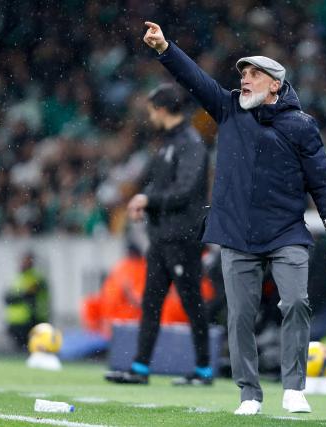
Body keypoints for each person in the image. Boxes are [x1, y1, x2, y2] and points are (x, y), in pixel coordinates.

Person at [142, 22, 326, 415]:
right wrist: (165, 47)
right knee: (239, 316)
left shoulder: (302, 126)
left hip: (287, 231)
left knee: (296, 302)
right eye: (242, 74)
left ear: (275, 85)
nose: (245, 80)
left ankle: (294, 387)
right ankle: (249, 394)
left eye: (253, 74)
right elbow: (195, 80)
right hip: (236, 233)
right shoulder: (228, 109)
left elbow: (322, 182)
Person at [104, 83, 213, 386]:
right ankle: (140, 367)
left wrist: (149, 200)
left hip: (183, 238)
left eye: (151, 109)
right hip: (162, 237)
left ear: (163, 109)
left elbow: (185, 191)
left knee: (192, 302)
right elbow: (158, 185)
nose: (149, 115)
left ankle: (204, 369)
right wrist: (145, 202)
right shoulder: (166, 144)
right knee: (151, 303)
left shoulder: (191, 143)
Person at [4, 252, 50, 350]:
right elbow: (7, 298)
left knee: (30, 350)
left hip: (29, 322)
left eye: (26, 261)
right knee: (18, 352)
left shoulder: (36, 278)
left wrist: (15, 297)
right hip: (15, 323)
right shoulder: (18, 278)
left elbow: (27, 295)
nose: (23, 263)